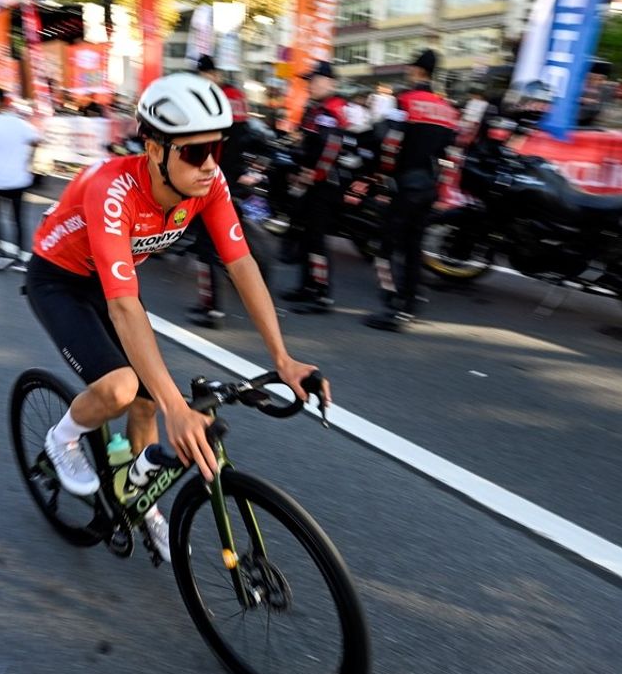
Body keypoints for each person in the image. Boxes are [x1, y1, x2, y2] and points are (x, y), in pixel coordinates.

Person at [24, 72, 328, 562]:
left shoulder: (208, 183)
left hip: (109, 281)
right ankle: (62, 438)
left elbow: (242, 264)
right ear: (153, 148)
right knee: (123, 389)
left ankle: (139, 502)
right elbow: (124, 306)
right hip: (59, 279)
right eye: (194, 152)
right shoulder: (112, 188)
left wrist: (283, 358)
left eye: (217, 149)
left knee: (146, 399)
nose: (209, 164)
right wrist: (175, 408)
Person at [364, 49, 458, 332]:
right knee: (414, 248)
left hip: (403, 185)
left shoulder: (404, 101)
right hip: (428, 187)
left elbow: (390, 142)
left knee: (385, 249)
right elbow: (450, 156)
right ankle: (411, 302)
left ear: (417, 71)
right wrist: (441, 189)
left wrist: (384, 177)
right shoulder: (447, 110)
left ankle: (393, 306)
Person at [188, 55, 254, 329]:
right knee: (230, 243)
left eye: (203, 76)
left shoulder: (212, 99)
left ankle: (211, 308)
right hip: (237, 177)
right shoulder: (236, 95)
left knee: (205, 247)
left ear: (211, 74)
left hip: (213, 179)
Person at [280, 61, 349, 314]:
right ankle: (306, 286)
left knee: (317, 240)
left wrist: (314, 175)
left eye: (315, 80)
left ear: (329, 82)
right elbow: (305, 140)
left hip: (324, 184)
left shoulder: (332, 109)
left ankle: (321, 295)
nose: (310, 85)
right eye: (309, 81)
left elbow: (331, 147)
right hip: (311, 182)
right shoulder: (316, 109)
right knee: (306, 236)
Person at [0, 88, 41, 271]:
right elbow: (36, 141)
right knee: (18, 219)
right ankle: (19, 256)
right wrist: (29, 161)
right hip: (18, 179)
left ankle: (0, 252)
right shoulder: (20, 123)